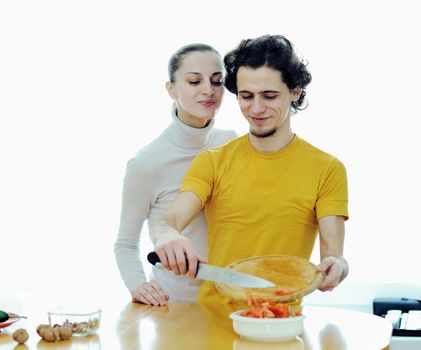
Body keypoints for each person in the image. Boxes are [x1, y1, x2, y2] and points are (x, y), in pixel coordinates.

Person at [152, 35, 349, 304]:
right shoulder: (212, 162)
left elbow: (334, 257)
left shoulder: (327, 169)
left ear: (295, 91)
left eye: (269, 96)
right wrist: (168, 237)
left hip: (281, 325)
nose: (256, 109)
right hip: (213, 324)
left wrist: (338, 268)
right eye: (246, 96)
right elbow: (168, 221)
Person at [114, 43, 237, 305]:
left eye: (217, 81)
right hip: (175, 304)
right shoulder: (146, 163)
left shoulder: (231, 144)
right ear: (171, 89)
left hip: (231, 300)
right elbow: (125, 244)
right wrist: (139, 286)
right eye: (194, 81)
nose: (208, 90)